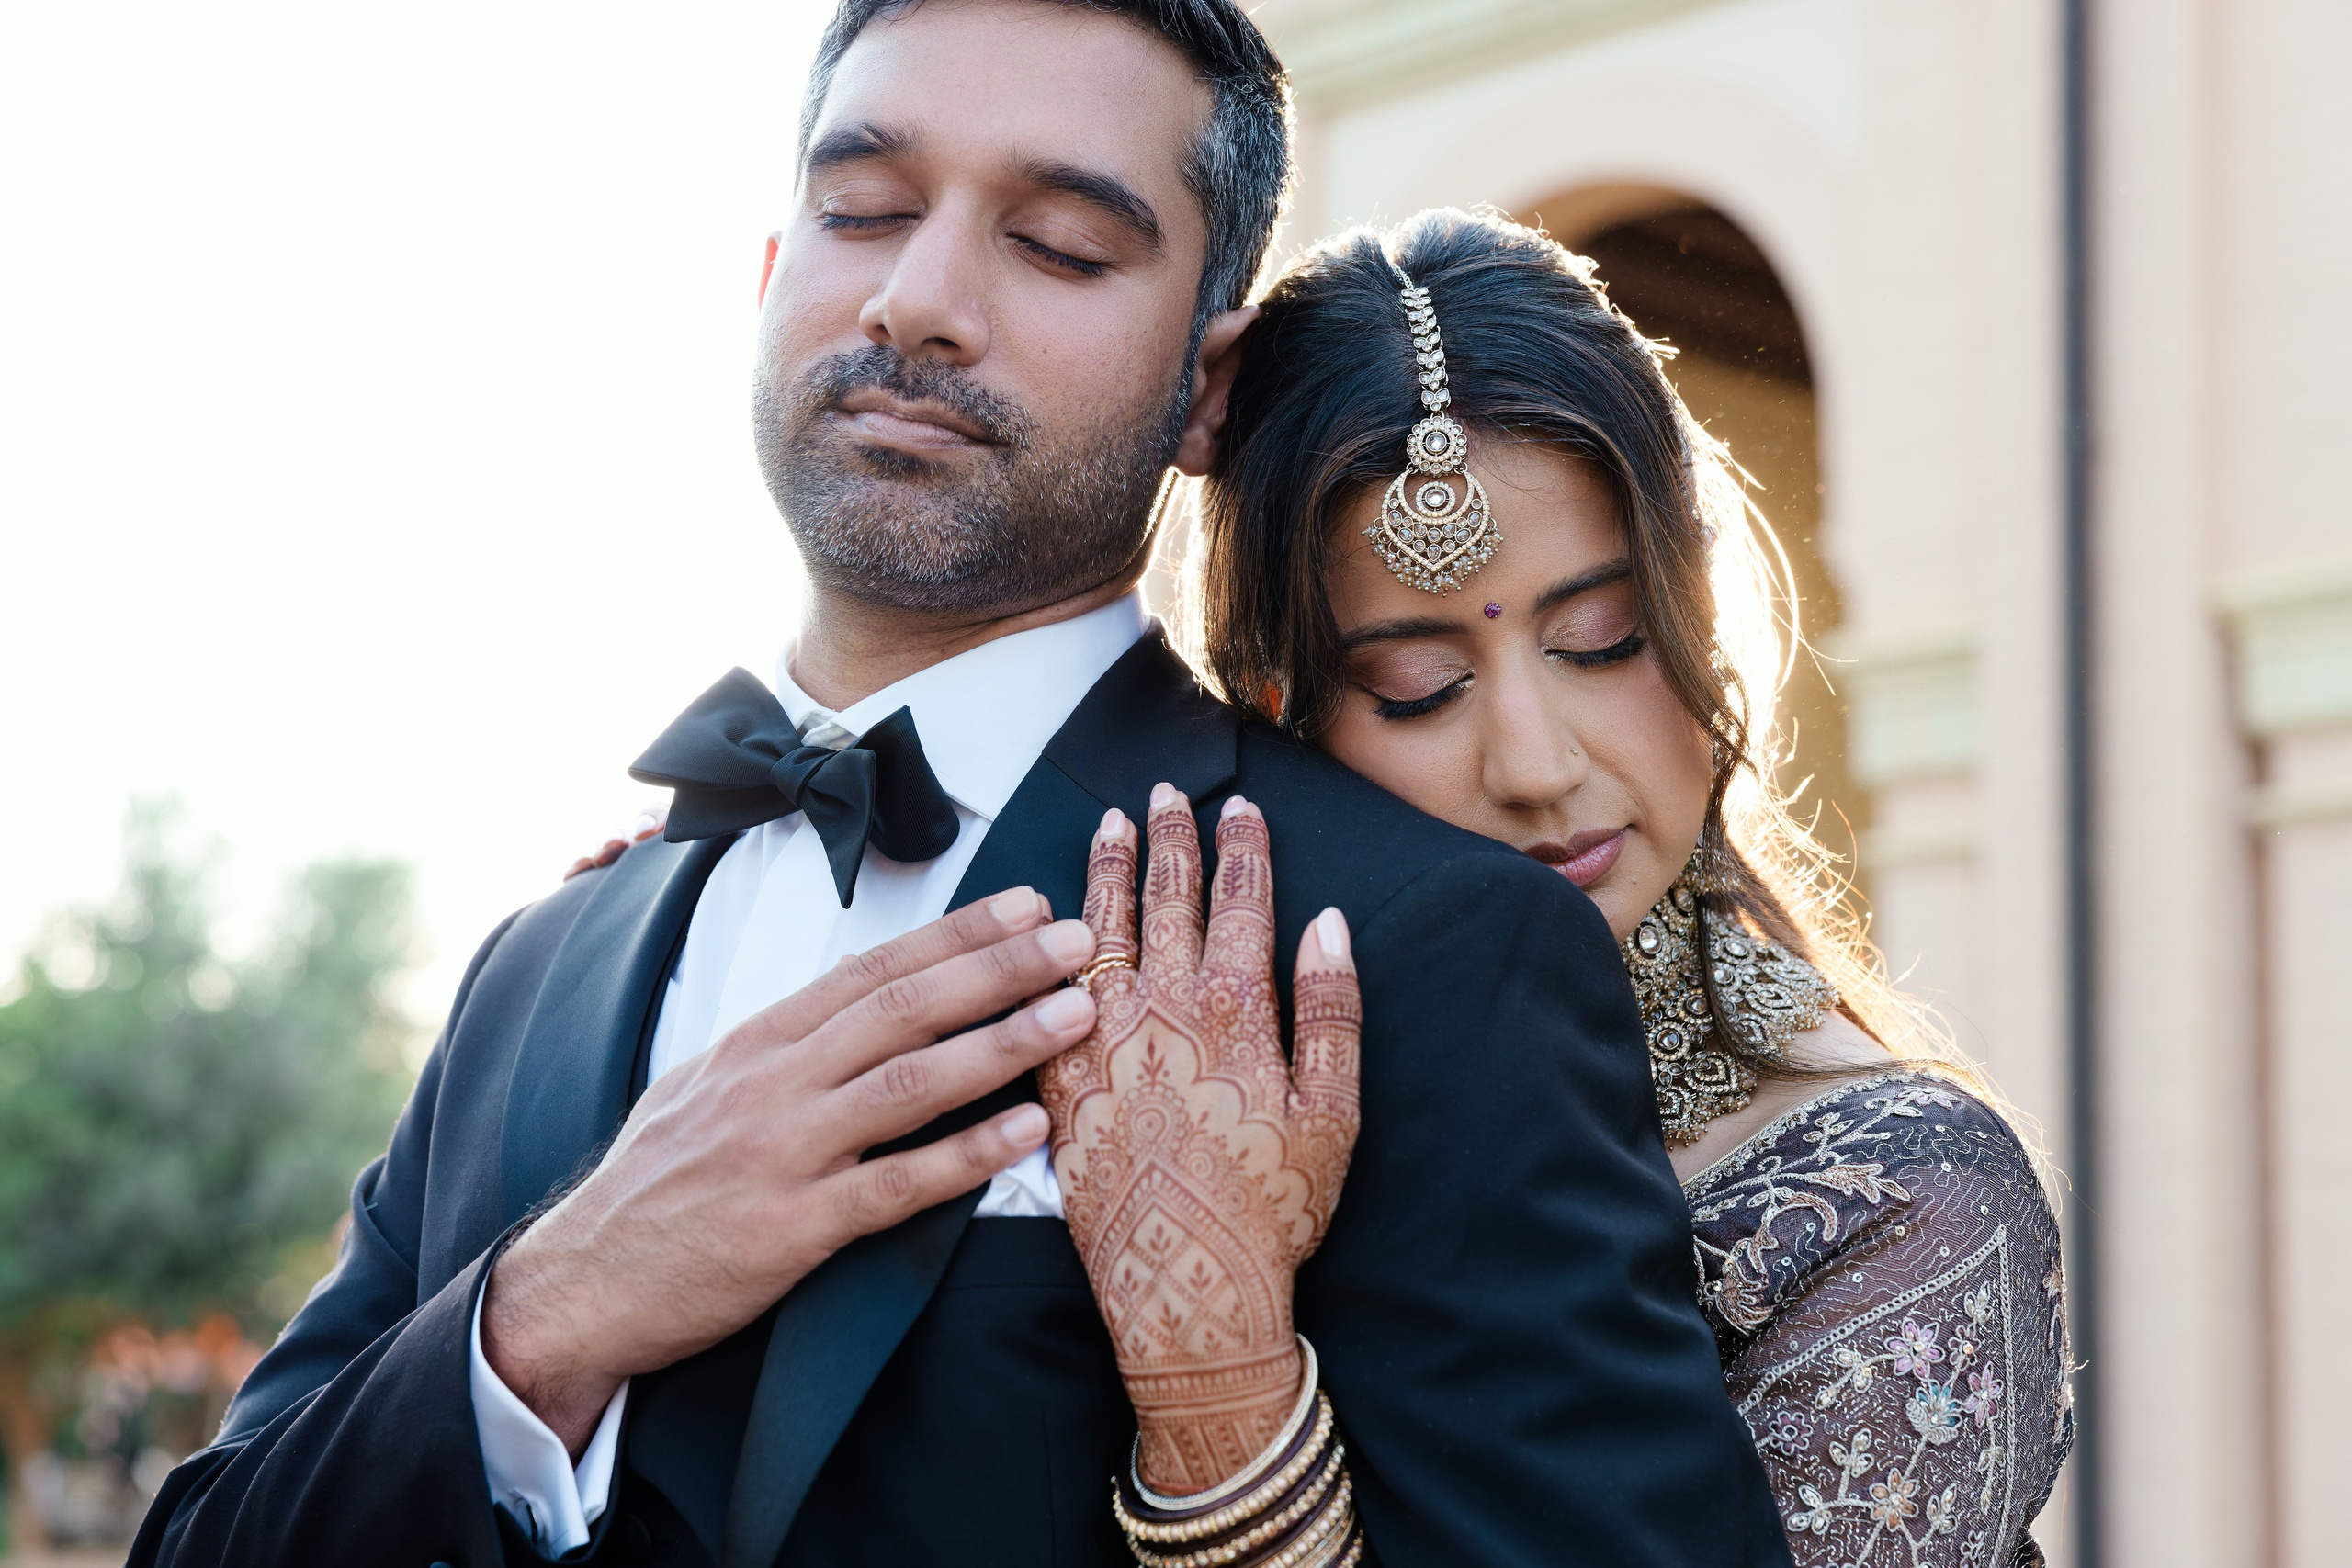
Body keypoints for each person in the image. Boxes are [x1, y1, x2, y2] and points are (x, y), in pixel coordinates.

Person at [130, 7, 1787, 1567]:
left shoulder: (1416, 944)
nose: (917, 299)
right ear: (771, 273)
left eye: (1058, 243)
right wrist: (552, 1308)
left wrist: (1225, 1406)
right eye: (862, 209)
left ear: (1207, 388)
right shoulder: (531, 969)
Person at [1129, 205, 2074, 1566]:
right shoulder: (1189, 1089)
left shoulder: (1899, 1206)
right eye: (1420, 686)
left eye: (1602, 639)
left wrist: (1222, 1412)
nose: (1535, 764)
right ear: (1278, 707)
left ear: (1700, 619)